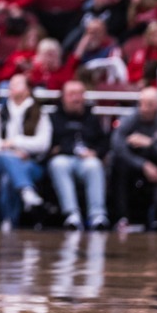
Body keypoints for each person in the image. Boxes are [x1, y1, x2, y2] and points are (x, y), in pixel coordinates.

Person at [0, 72, 53, 231]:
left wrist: (16, 143)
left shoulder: (39, 112)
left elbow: (43, 143)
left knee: (8, 178)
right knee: (7, 158)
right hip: (1, 160)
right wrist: (10, 150)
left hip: (30, 163)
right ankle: (26, 190)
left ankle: (8, 220)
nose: (11, 86)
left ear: (28, 89)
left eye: (17, 83)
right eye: (11, 83)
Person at [110, 86, 157, 230]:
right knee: (116, 163)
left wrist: (150, 143)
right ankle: (122, 219)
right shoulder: (130, 119)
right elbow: (117, 145)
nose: (143, 108)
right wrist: (143, 165)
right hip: (134, 163)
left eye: (148, 104)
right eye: (141, 104)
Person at [47, 79, 110, 230]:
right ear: (63, 97)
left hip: (86, 161)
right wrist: (69, 150)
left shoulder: (92, 118)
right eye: (71, 94)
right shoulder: (54, 118)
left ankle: (97, 215)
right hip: (63, 158)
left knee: (94, 165)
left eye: (79, 94)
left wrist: (95, 152)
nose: (76, 99)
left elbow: (104, 142)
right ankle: (71, 214)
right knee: (58, 164)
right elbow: (49, 146)